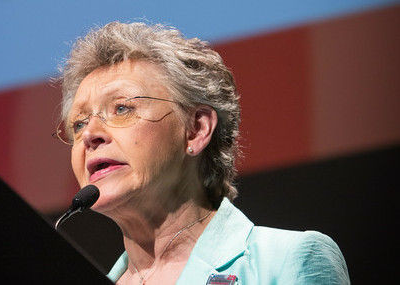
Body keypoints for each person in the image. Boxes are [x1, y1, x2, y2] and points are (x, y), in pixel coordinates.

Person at [54, 21, 350, 284]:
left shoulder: (287, 260)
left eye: (122, 108)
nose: (90, 135)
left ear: (196, 129)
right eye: (78, 124)